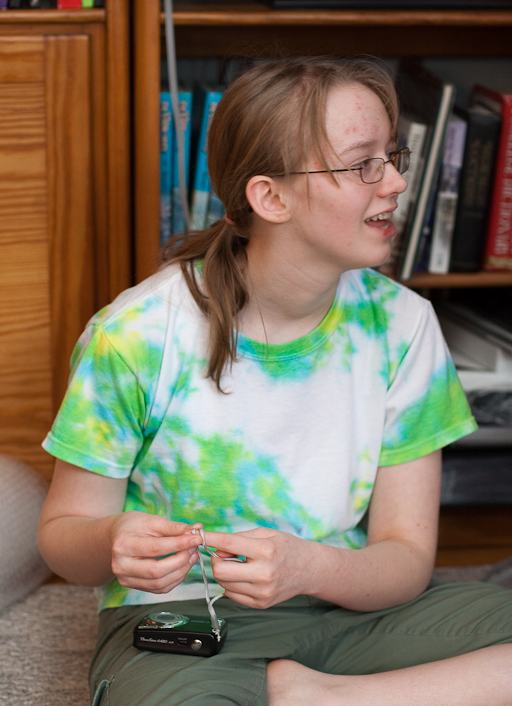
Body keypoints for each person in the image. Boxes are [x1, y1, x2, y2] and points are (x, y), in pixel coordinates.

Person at [38, 56, 512, 706]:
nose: (397, 181)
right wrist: (112, 539)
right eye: (363, 164)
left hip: (349, 603)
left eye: (392, 156)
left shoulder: (404, 326)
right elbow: (64, 537)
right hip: (183, 616)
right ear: (271, 198)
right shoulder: (135, 335)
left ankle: (319, 697)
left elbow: (404, 560)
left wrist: (312, 567)